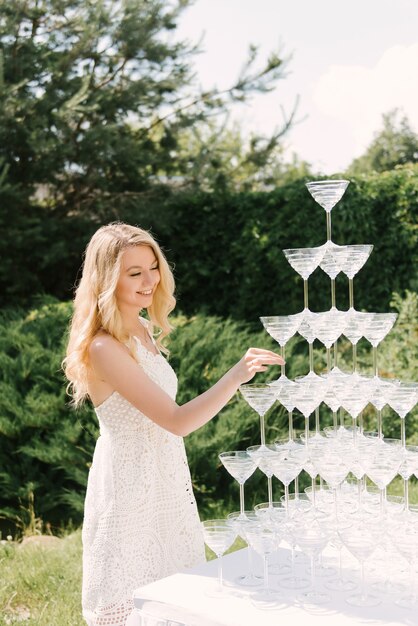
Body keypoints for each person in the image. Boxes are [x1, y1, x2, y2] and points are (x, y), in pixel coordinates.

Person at [63, 222, 283, 626]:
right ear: (107, 280)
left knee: (175, 596)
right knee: (130, 598)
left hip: (165, 476)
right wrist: (236, 376)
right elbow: (177, 421)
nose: (150, 281)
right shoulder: (103, 347)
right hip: (130, 484)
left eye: (153, 267)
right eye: (134, 273)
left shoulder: (142, 330)